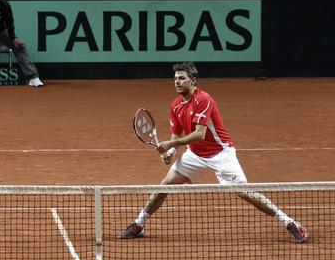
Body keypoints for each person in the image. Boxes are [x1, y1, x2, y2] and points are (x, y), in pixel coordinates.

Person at [120, 62, 309, 244]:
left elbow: (199, 134)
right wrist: (171, 151)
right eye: (175, 78)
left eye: (182, 78)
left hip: (221, 154)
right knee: (164, 187)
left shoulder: (204, 100)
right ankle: (139, 223)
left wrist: (172, 143)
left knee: (246, 193)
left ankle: (289, 222)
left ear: (193, 81)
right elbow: (177, 132)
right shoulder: (175, 105)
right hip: (195, 155)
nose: (177, 82)